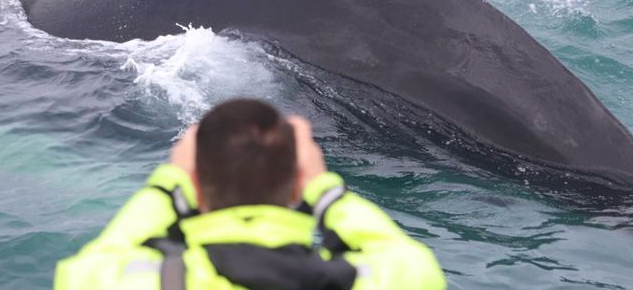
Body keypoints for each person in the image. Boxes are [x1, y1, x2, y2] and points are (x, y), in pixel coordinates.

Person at [54, 98, 446, 289]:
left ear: (193, 183)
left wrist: (169, 183)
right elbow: (410, 258)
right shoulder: (377, 279)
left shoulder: (138, 280)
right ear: (298, 182)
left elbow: (97, 260)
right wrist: (323, 189)